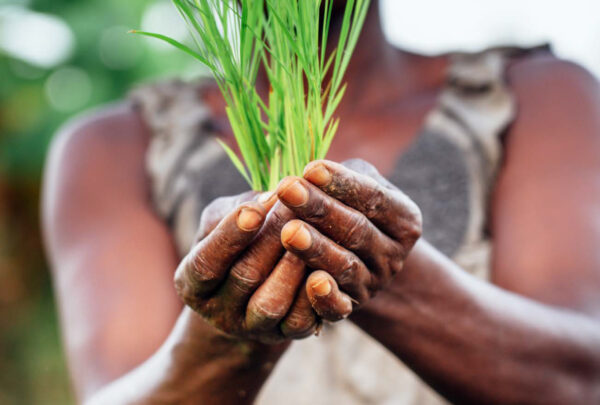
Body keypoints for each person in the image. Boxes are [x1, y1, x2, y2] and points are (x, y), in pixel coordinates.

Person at [42, 1, 600, 404]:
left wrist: (378, 266)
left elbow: (581, 380)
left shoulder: (537, 100)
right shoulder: (117, 148)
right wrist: (222, 340)